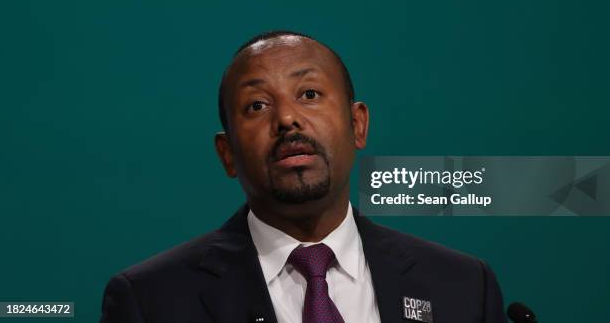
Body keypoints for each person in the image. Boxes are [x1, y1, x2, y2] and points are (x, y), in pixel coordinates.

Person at [100, 31, 507, 323]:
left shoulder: (464, 286)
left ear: (357, 124)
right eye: (257, 105)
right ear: (227, 154)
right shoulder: (150, 301)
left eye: (309, 95)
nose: (287, 119)